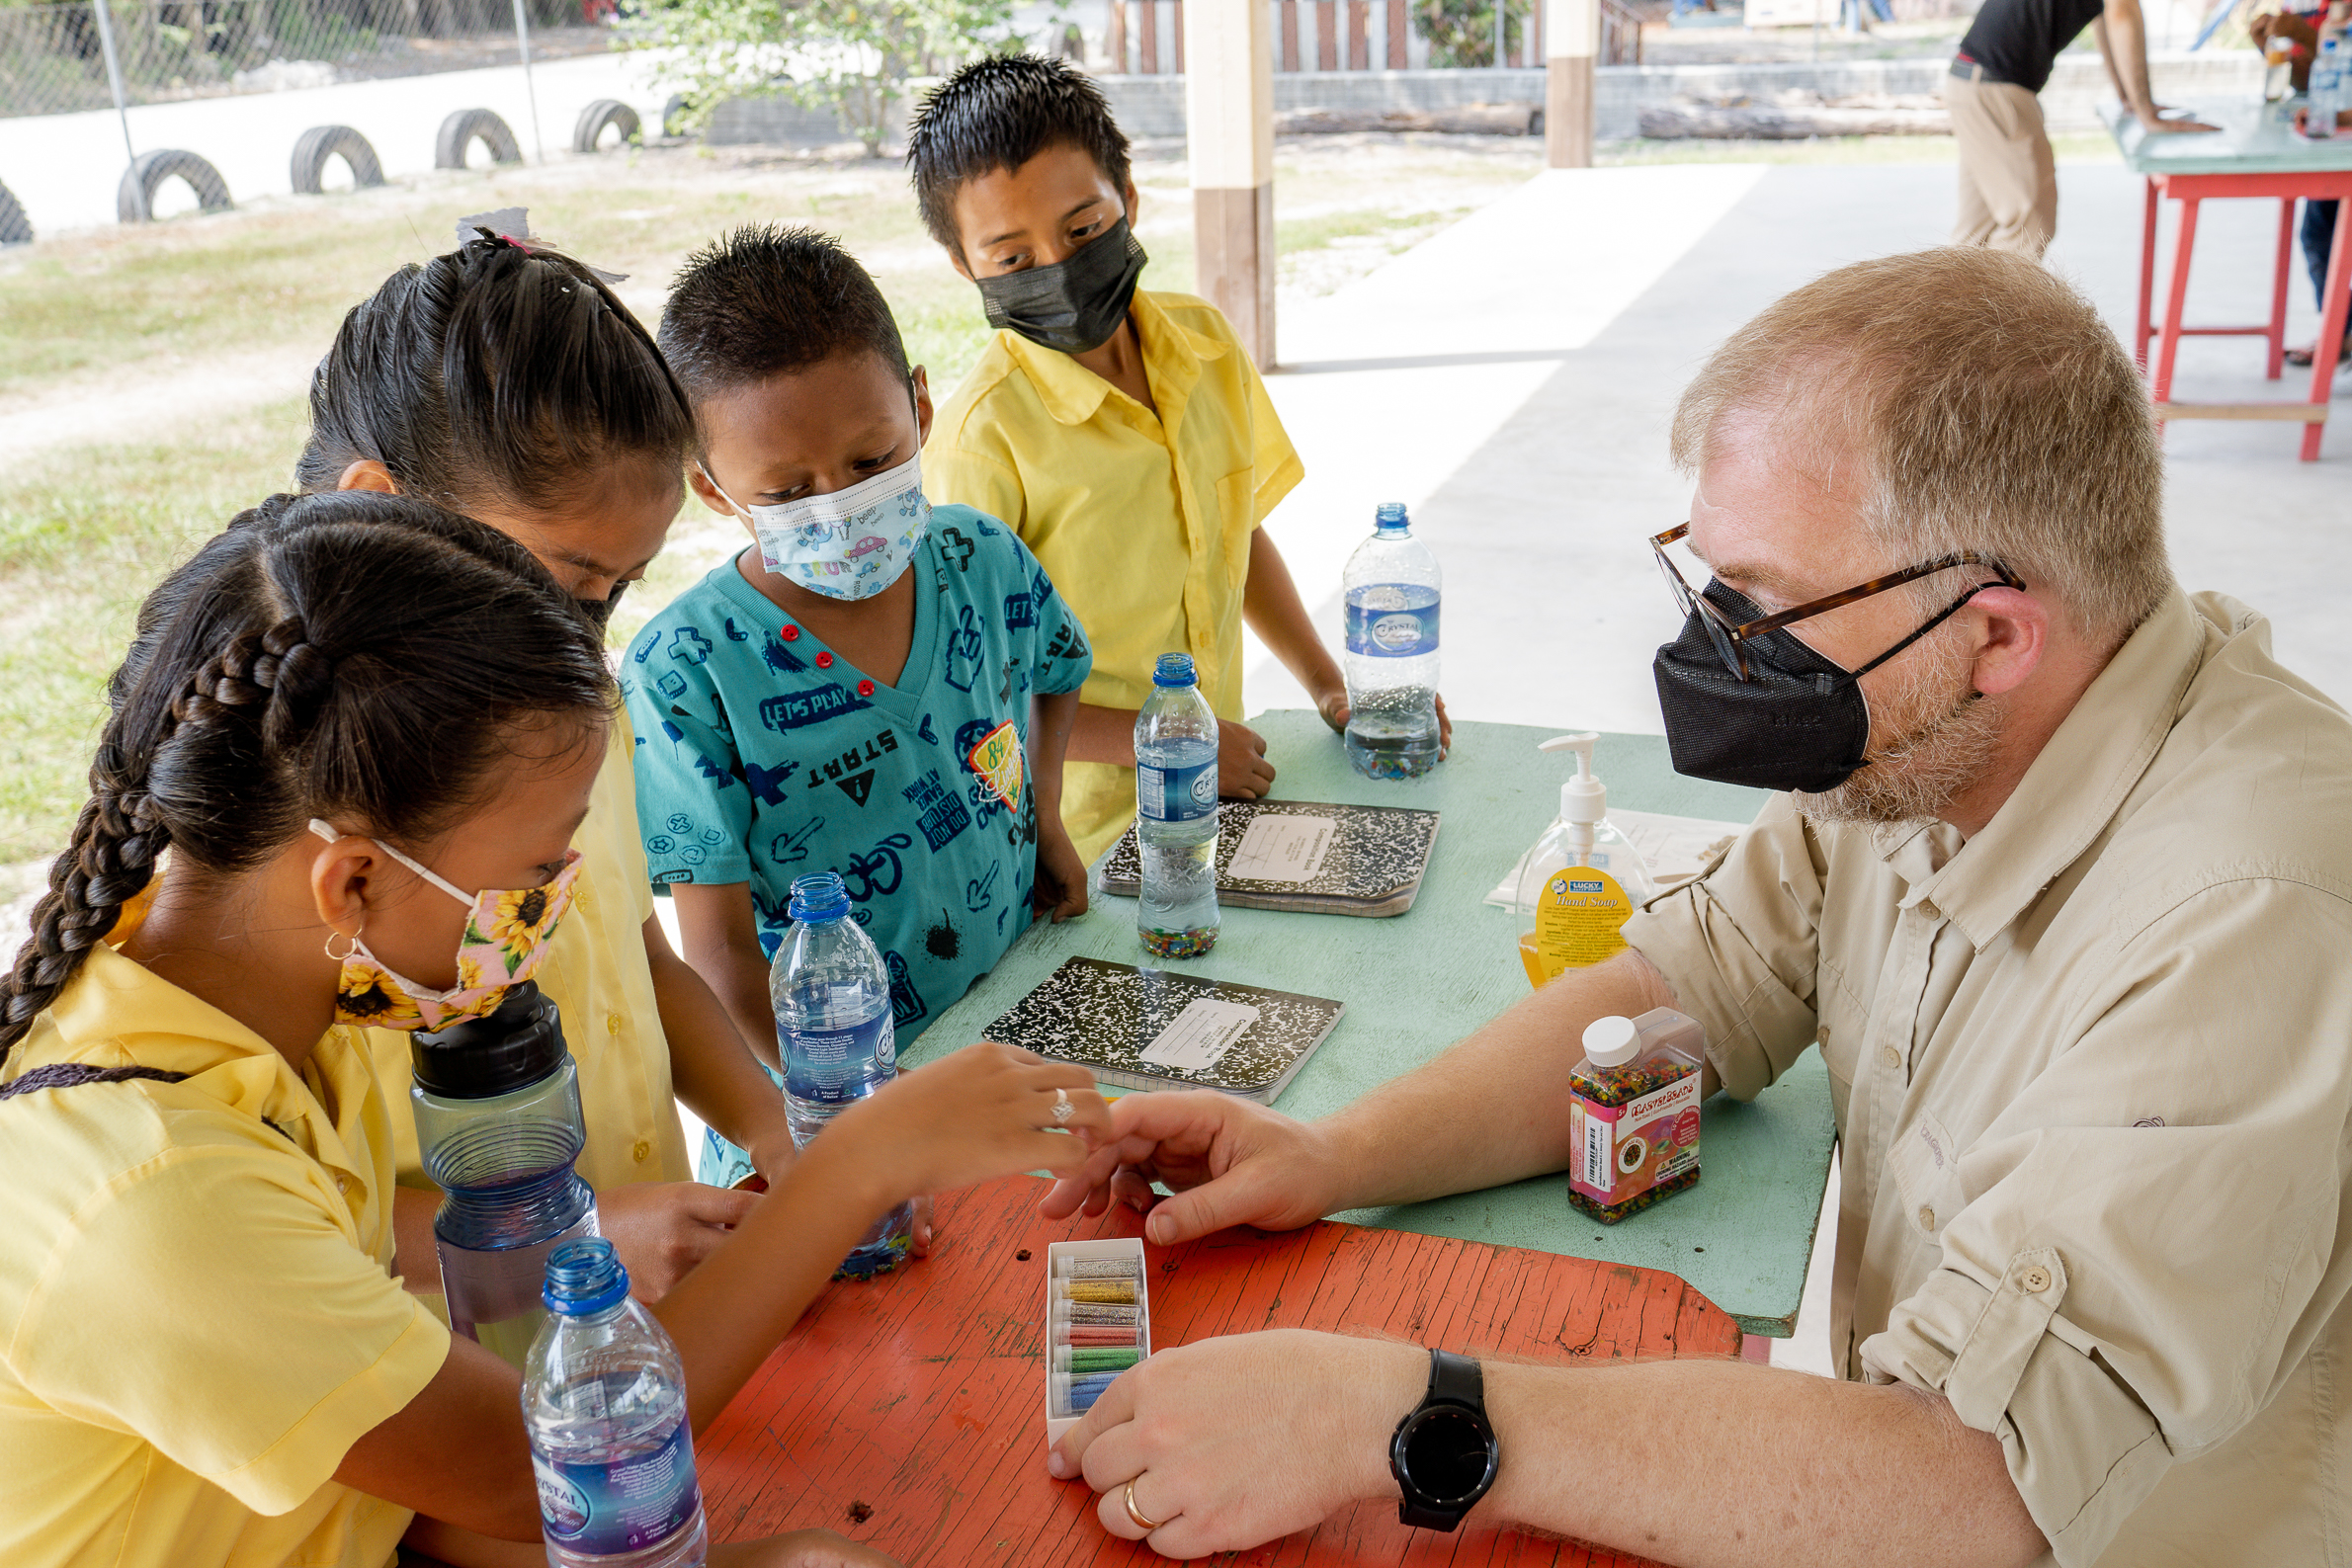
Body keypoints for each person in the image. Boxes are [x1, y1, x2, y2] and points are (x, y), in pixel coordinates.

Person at [1039, 248, 2352, 1565]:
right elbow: (1680, 988)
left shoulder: (2252, 913)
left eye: (1769, 603)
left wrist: (1405, 1415)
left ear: (1997, 631)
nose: (1725, 647)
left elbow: (1977, 1485)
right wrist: (1335, 1151)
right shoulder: (1930, 736)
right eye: (1712, 580)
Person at [0, 488, 1111, 1568]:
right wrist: (860, 1160)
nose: (561, 899)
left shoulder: (250, 1005)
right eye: (538, 866)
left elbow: (388, 1466)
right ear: (351, 884)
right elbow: (522, 1476)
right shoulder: (153, 1192)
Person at [296, 229, 803, 1291]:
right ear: (381, 515)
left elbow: (634, 955)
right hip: (440, 1366)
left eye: (616, 590)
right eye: (558, 580)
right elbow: (256, 1216)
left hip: (618, 1315)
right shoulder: (282, 816)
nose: (585, 633)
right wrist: (562, 1241)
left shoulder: (569, 702)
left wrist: (776, 1126)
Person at [635, 225, 1095, 1189]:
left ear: (920, 406)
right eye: (787, 490)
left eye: (868, 459)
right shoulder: (687, 673)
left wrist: (1045, 814)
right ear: (714, 489)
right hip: (825, 1128)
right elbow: (714, 956)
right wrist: (841, 1118)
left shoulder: (977, 558)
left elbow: (1054, 671)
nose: (839, 506)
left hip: (999, 1046)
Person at [908, 55, 1443, 865]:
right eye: (1013, 258)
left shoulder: (1206, 345)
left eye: (1084, 228)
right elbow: (978, 698)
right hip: (1085, 846)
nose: (1058, 267)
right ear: (963, 265)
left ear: (1127, 194)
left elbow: (1234, 538)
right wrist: (1166, 743)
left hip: (1223, 800)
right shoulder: (983, 441)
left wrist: (1333, 689)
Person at [1942, 0, 2217, 256]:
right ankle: (1986, 308)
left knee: (1974, 234)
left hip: (1970, 83)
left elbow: (2106, 21)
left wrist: (2128, 97)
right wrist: (2147, 114)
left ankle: (1942, 308)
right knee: (2031, 225)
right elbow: (2122, 16)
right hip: (1994, 90)